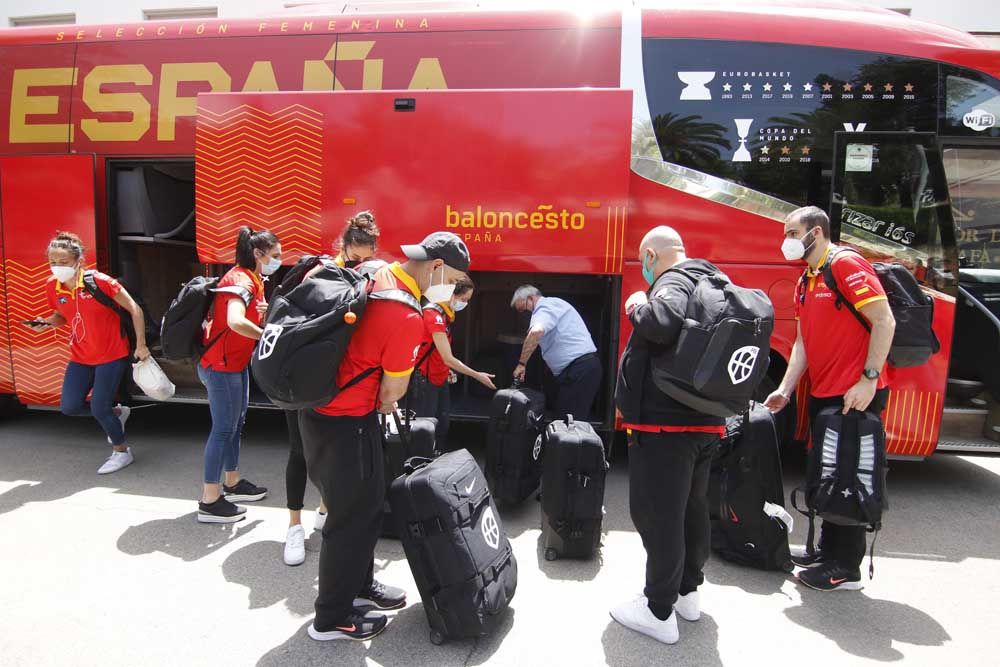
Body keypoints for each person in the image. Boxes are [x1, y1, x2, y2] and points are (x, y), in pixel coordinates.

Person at [301, 231, 471, 642]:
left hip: (326, 414)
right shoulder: (406, 315)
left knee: (368, 509)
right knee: (350, 519)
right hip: (346, 421)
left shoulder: (380, 273)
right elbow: (392, 393)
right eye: (453, 279)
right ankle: (332, 618)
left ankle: (360, 588)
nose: (452, 290)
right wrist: (384, 396)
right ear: (436, 268)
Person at [764, 205, 895, 591]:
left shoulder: (846, 265)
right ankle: (827, 550)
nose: (786, 241)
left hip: (855, 392)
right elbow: (804, 342)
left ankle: (846, 568)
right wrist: (785, 390)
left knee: (848, 475)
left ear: (816, 232)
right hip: (826, 393)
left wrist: (869, 379)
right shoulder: (808, 277)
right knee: (829, 474)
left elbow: (884, 321)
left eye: (792, 232)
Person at [609, 225, 726, 645]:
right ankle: (688, 592)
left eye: (644, 261)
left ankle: (658, 609)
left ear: (651, 256)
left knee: (660, 516)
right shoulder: (714, 280)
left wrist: (638, 304)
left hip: (663, 426)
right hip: (705, 422)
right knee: (693, 509)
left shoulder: (673, 281)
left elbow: (660, 323)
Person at [284, 212, 380, 566]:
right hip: (307, 375)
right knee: (300, 452)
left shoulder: (369, 277)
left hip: (339, 381)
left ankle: (324, 514)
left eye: (366, 258)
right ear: (343, 247)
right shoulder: (320, 273)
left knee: (332, 461)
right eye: (355, 258)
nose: (361, 264)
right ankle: (293, 526)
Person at [24, 231, 151, 475]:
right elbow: (62, 316)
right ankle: (116, 413)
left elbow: (135, 309)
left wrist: (141, 344)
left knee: (98, 408)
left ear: (78, 262)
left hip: (112, 354)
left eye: (63, 263)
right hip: (81, 355)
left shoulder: (101, 282)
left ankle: (122, 451)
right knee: (69, 407)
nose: (57, 267)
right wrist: (46, 322)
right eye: (53, 262)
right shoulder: (53, 286)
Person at [196, 227, 281, 524]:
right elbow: (234, 321)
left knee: (235, 425)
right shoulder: (240, 279)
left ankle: (232, 483)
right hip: (220, 367)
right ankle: (209, 500)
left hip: (234, 365)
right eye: (275, 255)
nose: (278, 260)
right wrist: (264, 336)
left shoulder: (252, 278)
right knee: (222, 430)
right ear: (258, 254)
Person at [408, 276, 496, 444]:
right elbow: (448, 357)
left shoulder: (446, 314)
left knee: (442, 427)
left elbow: (437, 352)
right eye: (463, 299)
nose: (465, 304)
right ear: (452, 295)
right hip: (425, 381)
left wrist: (446, 369)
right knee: (426, 430)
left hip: (439, 378)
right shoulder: (434, 315)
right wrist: (477, 375)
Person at [510, 285, 601, 419]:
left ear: (531, 298)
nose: (526, 315)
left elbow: (536, 331)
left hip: (578, 370)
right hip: (577, 370)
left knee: (569, 424)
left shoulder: (544, 307)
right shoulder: (555, 304)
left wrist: (521, 364)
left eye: (524, 310)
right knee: (565, 419)